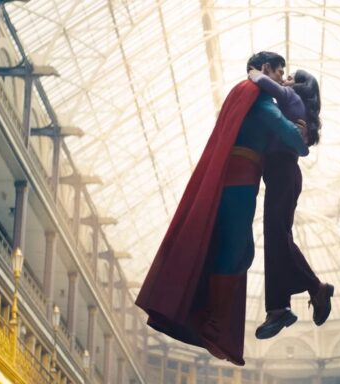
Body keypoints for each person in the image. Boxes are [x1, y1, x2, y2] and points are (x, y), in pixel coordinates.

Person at [135, 52, 308, 366]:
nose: (283, 79)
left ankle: (212, 319)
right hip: (240, 182)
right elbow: (294, 139)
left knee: (240, 250)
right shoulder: (258, 97)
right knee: (236, 249)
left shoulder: (244, 94)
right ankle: (213, 322)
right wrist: (301, 136)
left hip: (239, 179)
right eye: (280, 72)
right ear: (266, 69)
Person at [246, 68, 335, 340]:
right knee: (276, 238)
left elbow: (262, 82)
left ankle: (311, 289)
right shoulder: (290, 105)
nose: (284, 79)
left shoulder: (290, 98)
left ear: (299, 87)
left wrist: (255, 72)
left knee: (277, 236)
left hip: (283, 172)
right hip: (281, 174)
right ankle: (278, 307)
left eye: (290, 77)